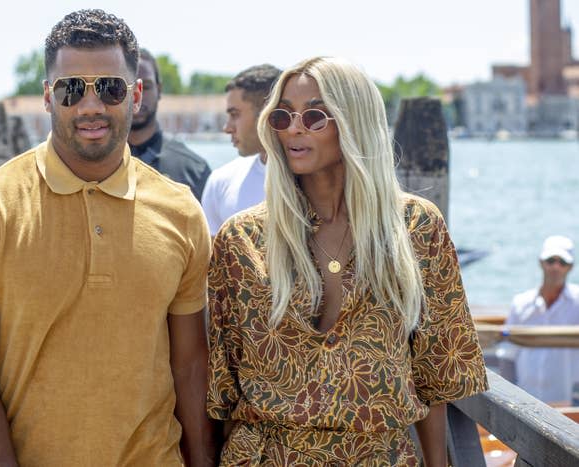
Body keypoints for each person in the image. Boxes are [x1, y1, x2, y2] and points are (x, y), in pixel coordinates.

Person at [0, 10, 215, 467]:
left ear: (136, 95)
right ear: (48, 97)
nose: (90, 106)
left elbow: (190, 367)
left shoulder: (181, 212)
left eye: (110, 87)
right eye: (71, 89)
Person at [207, 56, 488, 466]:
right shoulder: (241, 239)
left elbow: (436, 379)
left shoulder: (416, 226)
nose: (294, 129)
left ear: (354, 121)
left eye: (315, 116)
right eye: (282, 117)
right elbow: (223, 390)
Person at [201, 64, 280, 236]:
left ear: (267, 112)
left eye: (234, 114)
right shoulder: (221, 181)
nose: (227, 128)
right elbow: (214, 260)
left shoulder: (313, 181)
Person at [127, 48, 211, 200]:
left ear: (159, 90)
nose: (137, 96)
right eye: (129, 87)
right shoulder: (91, 165)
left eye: (146, 86)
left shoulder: (193, 169)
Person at [505, 235, 579, 403]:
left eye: (562, 262)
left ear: (570, 267)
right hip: (524, 401)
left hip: (567, 403)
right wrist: (508, 399)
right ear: (541, 262)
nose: (556, 267)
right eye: (551, 260)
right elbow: (508, 355)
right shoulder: (520, 303)